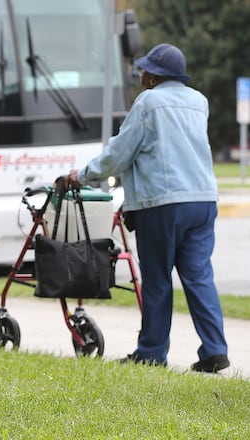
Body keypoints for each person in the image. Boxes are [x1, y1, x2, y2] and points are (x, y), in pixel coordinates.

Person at [67, 43, 229, 372]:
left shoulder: (148, 103)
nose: (140, 74)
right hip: (203, 201)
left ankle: (152, 352)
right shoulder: (199, 102)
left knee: (156, 280)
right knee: (199, 277)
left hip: (164, 205)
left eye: (144, 70)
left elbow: (119, 154)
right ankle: (215, 349)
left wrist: (83, 174)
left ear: (154, 77)